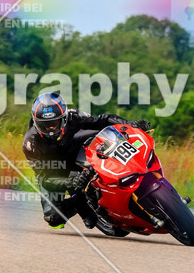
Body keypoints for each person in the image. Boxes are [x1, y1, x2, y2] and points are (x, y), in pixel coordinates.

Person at [22, 92, 153, 234]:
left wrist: (130, 124)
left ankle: (129, 170)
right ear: (36, 122)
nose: (50, 129)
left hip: (74, 148)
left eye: (54, 123)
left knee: (103, 132)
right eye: (45, 125)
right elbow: (45, 178)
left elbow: (102, 120)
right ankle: (80, 201)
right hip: (54, 171)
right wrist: (72, 181)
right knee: (53, 219)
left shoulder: (74, 116)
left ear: (64, 118)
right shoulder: (31, 144)